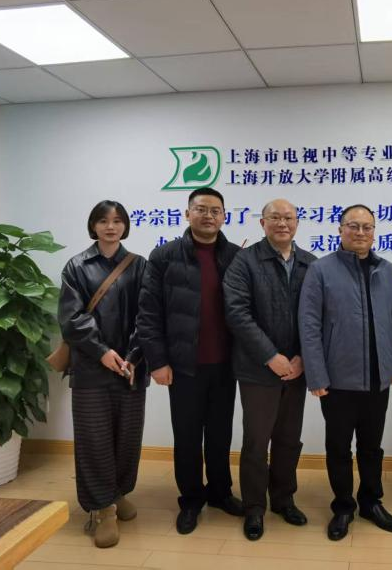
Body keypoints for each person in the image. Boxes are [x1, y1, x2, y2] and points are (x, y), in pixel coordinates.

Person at [136, 187, 243, 535]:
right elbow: (148, 313)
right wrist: (157, 361)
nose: (208, 215)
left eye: (215, 210)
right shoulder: (164, 256)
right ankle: (192, 499)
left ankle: (220, 493)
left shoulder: (236, 256)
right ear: (187, 213)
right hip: (183, 366)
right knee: (187, 436)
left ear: (224, 216)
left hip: (226, 364)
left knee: (220, 434)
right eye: (201, 209)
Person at [299, 204, 392, 541]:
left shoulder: (387, 270)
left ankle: (371, 502)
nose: (360, 232)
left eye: (367, 227)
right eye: (353, 226)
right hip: (337, 379)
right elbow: (309, 325)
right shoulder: (320, 270)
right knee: (339, 447)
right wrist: (316, 375)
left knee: (371, 447)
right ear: (340, 229)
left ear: (374, 232)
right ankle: (344, 506)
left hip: (378, 377)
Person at [223, 198, 316, 541]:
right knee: (256, 441)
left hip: (297, 369)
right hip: (257, 369)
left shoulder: (310, 263)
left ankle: (283, 499)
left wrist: (302, 357)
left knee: (289, 439)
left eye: (288, 217)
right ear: (262, 223)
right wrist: (270, 356)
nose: (282, 223)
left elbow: (317, 316)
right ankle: (254, 507)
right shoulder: (244, 261)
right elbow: (237, 313)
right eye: (274, 217)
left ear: (297, 222)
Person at [58, 200, 148, 548]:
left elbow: (148, 315)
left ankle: (118, 492)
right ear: (93, 226)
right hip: (91, 368)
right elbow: (72, 319)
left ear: (125, 226)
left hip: (130, 368)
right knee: (94, 439)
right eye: (103, 221)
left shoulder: (139, 265)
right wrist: (103, 352)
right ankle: (102, 507)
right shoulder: (77, 266)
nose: (111, 227)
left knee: (127, 436)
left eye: (117, 221)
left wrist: (132, 356)